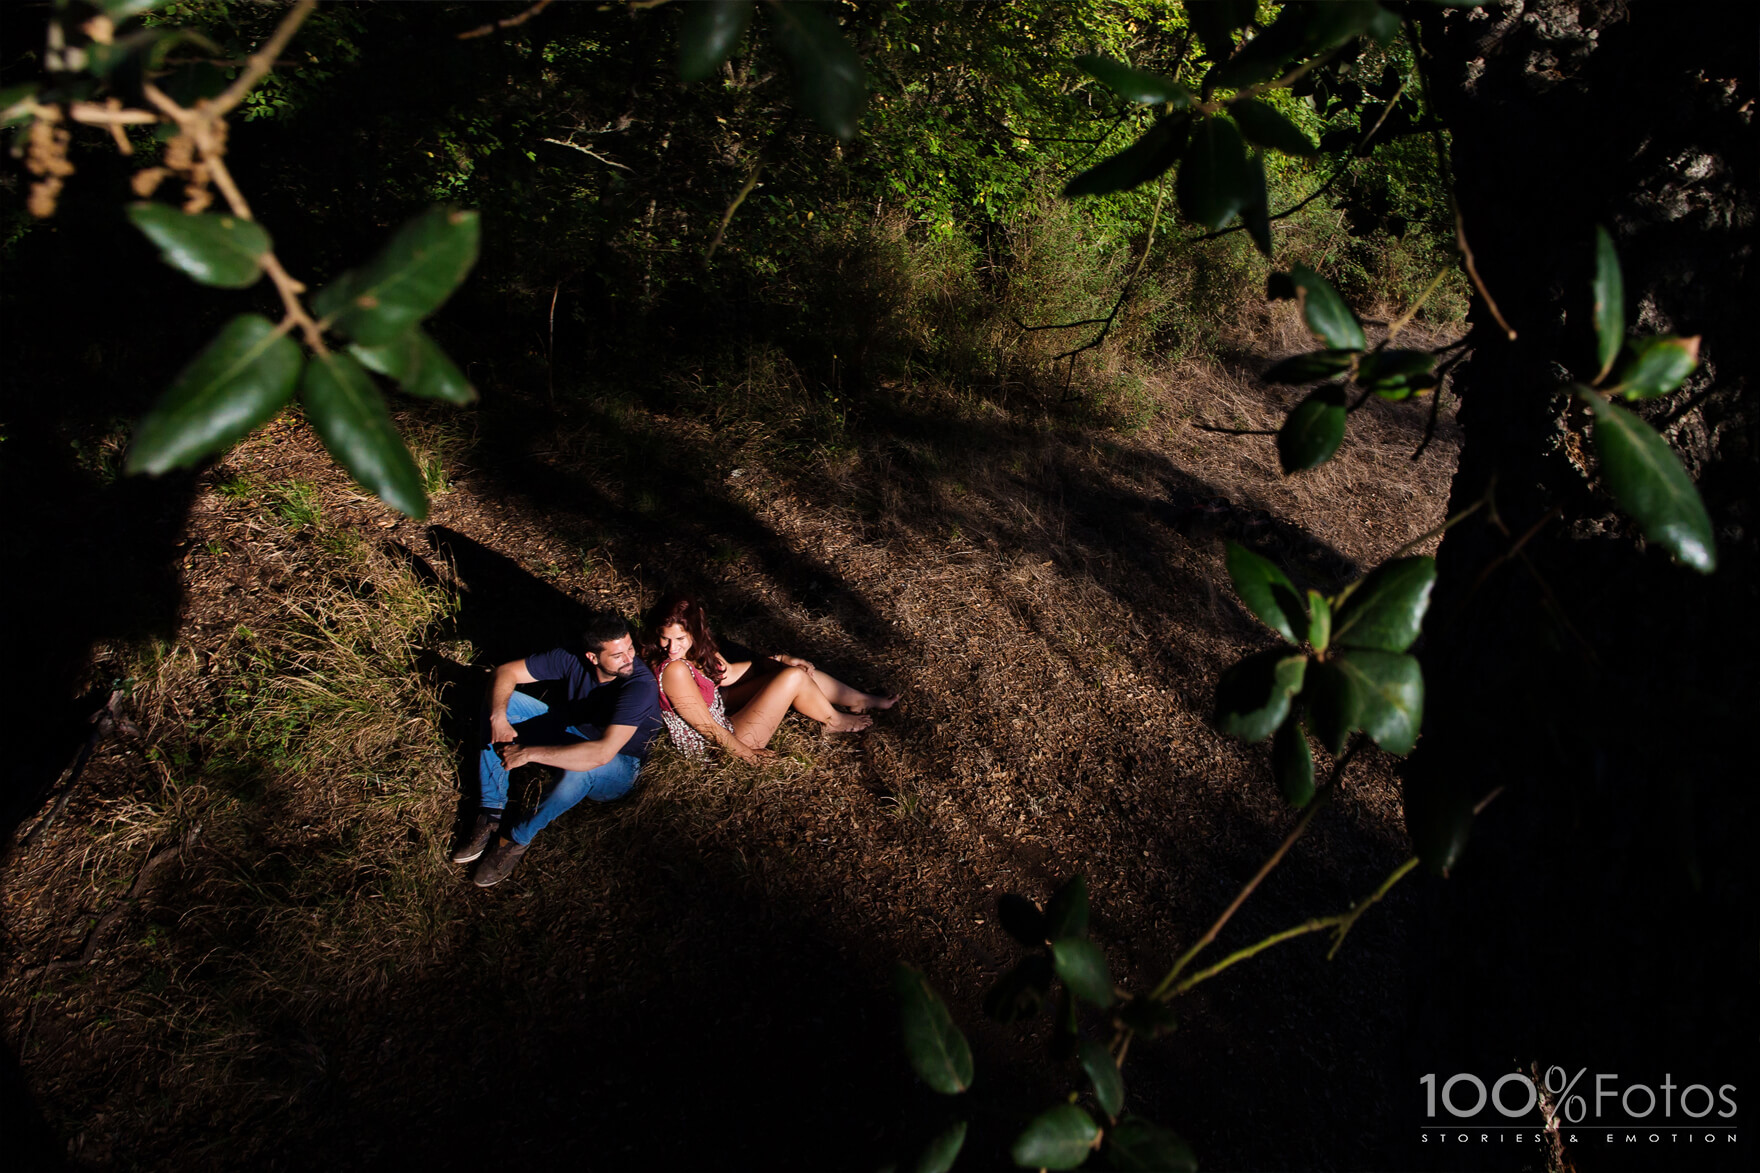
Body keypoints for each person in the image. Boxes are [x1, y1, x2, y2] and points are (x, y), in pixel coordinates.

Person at [452, 611, 662, 887]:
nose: (629, 659)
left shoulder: (639, 684)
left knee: (582, 771)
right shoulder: (571, 657)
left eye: (630, 648)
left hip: (619, 764)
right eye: (618, 655)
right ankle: (490, 811)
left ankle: (515, 838)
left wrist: (527, 753)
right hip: (569, 730)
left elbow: (602, 753)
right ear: (592, 657)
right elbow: (506, 672)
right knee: (502, 702)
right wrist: (498, 718)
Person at [641, 593, 895, 763]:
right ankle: (834, 720)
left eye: (680, 639)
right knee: (793, 677)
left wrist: (778, 660)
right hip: (717, 750)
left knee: (788, 670)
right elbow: (707, 728)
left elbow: (726, 675)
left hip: (723, 717)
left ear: (695, 633)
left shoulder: (693, 651)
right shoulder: (674, 669)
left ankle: (858, 699)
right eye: (665, 638)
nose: (672, 647)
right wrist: (750, 758)